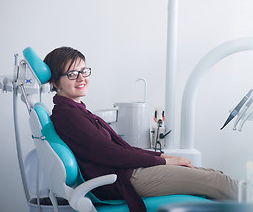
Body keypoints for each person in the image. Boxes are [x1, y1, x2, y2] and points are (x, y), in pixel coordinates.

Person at [44, 46, 239, 212]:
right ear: (55, 82)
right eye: (72, 74)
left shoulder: (76, 110)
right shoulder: (68, 115)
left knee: (217, 177)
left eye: (84, 71)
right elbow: (112, 154)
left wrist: (163, 157)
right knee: (219, 183)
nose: (81, 78)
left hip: (129, 172)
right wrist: (162, 162)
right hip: (125, 179)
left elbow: (123, 149)